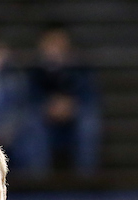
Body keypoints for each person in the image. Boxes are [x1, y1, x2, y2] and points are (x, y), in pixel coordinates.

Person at [25, 25, 101, 175]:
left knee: (89, 122)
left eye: (59, 42)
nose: (55, 48)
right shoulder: (35, 70)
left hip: (74, 119)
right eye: (51, 43)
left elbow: (89, 95)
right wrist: (48, 106)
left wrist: (70, 105)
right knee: (31, 123)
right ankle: (37, 177)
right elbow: (29, 97)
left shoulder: (80, 67)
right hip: (45, 120)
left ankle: (86, 177)